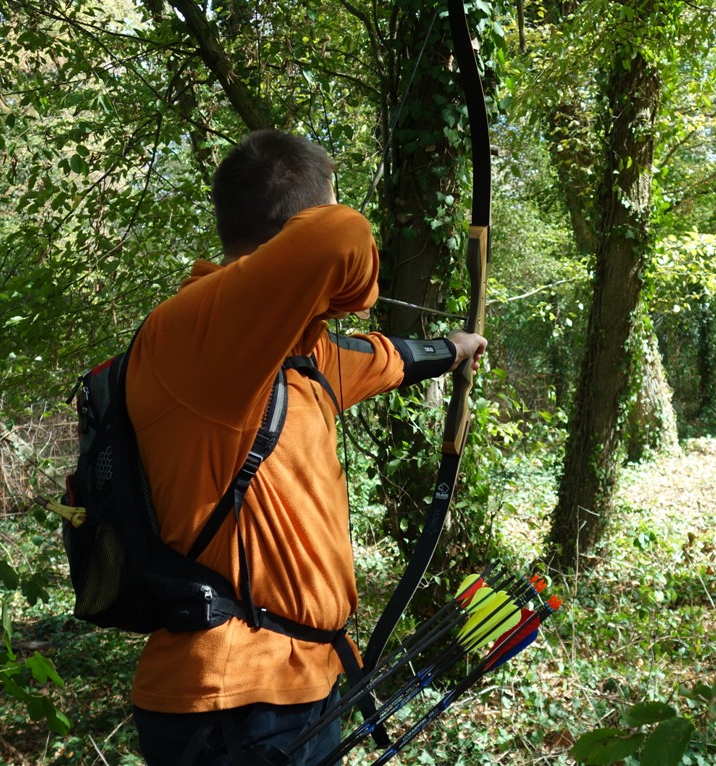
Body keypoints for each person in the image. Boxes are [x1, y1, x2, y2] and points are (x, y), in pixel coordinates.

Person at [125, 129, 487, 765]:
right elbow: (341, 235)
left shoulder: (294, 359)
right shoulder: (193, 335)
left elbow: (382, 359)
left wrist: (454, 349)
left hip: (297, 692)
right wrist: (342, 247)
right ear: (302, 220)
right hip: (232, 707)